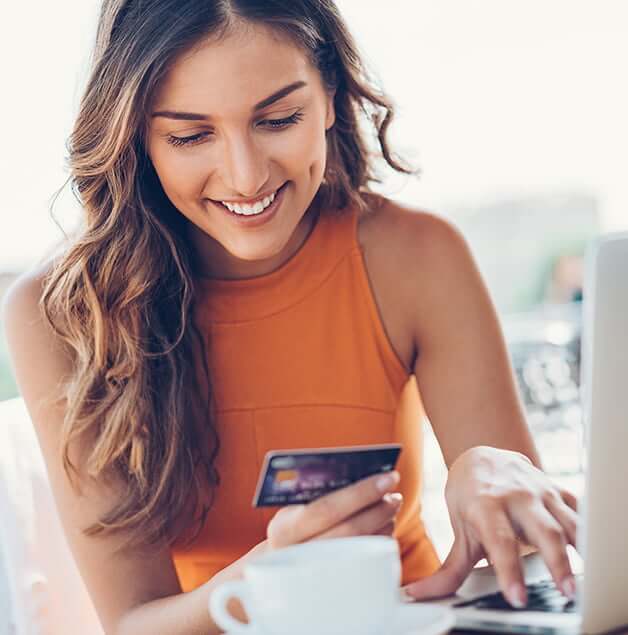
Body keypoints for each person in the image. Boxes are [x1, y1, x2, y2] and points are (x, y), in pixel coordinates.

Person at [2, 1, 579, 633]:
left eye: (279, 119)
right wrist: (275, 575)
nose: (245, 177)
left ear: (329, 97)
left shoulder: (415, 256)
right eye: (190, 136)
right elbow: (133, 623)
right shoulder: (62, 314)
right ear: (136, 134)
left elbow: (527, 561)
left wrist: (492, 470)